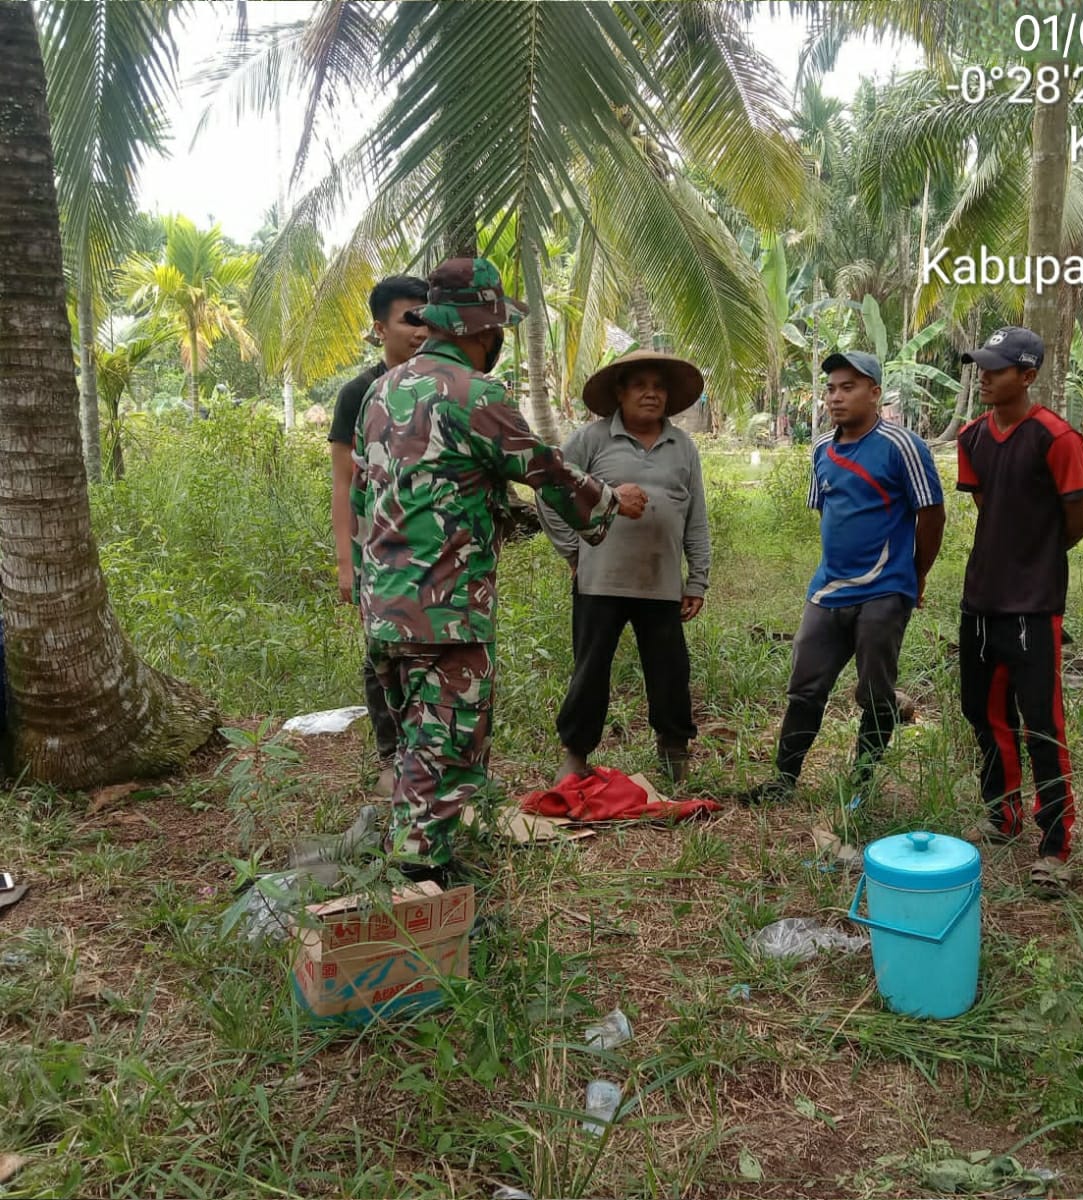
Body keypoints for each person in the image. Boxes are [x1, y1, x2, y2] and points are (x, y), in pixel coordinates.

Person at [352, 257, 648, 878]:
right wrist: (608, 501)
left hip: (384, 602)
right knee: (448, 746)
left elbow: (364, 493)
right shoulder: (475, 393)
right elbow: (544, 468)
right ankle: (418, 885)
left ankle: (410, 863)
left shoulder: (382, 389)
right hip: (444, 610)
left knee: (415, 737)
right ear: (483, 330)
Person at [743, 350, 945, 804]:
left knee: (874, 691)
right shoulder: (821, 449)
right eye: (831, 388)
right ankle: (783, 781)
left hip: (885, 589)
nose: (836, 397)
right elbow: (829, 514)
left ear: (875, 393)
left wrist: (915, 576)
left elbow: (931, 515)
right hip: (828, 589)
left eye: (848, 387)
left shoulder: (903, 446)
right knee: (805, 687)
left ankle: (862, 785)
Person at [955, 326, 1083, 896]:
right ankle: (1002, 813)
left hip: (1035, 606)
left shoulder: (1057, 438)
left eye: (997, 368)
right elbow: (989, 504)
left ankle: (1056, 843)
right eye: (980, 367)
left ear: (1028, 375)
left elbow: (1078, 520)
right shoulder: (971, 437)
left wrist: (1034, 557)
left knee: (1043, 724)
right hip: (981, 598)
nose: (984, 377)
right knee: (982, 711)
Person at [538, 349, 712, 786]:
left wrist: (698, 579)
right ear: (620, 393)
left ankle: (674, 749)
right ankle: (575, 754)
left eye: (658, 386)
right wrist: (573, 553)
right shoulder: (591, 440)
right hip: (600, 581)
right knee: (591, 669)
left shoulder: (683, 446)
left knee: (670, 670)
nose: (650, 394)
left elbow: (696, 516)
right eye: (640, 385)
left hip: (662, 580)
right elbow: (550, 491)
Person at [329, 275, 429, 793]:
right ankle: (390, 756)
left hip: (433, 552)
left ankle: (427, 756)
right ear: (379, 328)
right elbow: (344, 484)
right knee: (381, 654)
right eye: (408, 318)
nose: (421, 329)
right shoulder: (358, 393)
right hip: (377, 551)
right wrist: (347, 563)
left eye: (427, 317)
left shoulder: (440, 387)